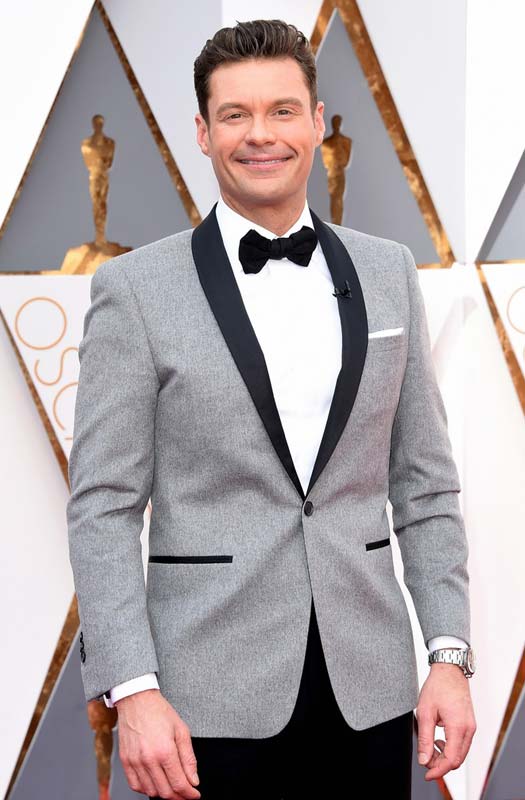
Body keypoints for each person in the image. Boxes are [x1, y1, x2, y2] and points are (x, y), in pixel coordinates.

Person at [66, 19, 476, 800]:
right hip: (199, 702)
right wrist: (133, 689)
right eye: (235, 114)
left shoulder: (388, 271)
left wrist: (448, 657)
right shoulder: (135, 291)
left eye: (282, 110)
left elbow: (424, 487)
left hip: (369, 695)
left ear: (316, 122)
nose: (261, 134)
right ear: (203, 132)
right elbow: (103, 507)